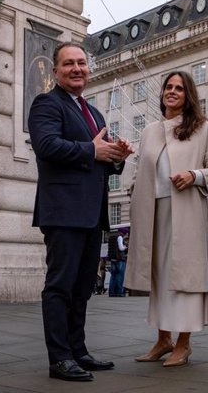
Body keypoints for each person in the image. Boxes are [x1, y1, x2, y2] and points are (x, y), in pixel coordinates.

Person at [28, 42, 134, 382]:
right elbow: (46, 147)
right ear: (57, 71)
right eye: (69, 64)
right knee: (60, 286)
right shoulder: (47, 103)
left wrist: (116, 157)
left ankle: (78, 350)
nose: (77, 69)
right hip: (63, 211)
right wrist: (93, 149)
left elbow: (101, 162)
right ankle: (59, 358)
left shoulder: (95, 113)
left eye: (82, 63)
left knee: (83, 287)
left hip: (92, 213)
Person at [125, 70, 208, 367]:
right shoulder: (150, 131)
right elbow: (140, 171)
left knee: (185, 278)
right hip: (153, 214)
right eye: (168, 87)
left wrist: (194, 176)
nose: (172, 91)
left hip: (188, 214)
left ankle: (184, 343)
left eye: (179, 88)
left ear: (188, 95)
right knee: (158, 276)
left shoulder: (202, 129)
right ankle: (162, 339)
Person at [108, 228, 128, 297]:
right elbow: (120, 248)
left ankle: (112, 293)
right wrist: (125, 247)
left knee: (113, 276)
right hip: (119, 259)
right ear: (124, 233)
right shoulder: (120, 237)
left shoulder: (113, 236)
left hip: (113, 259)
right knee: (120, 276)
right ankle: (120, 292)